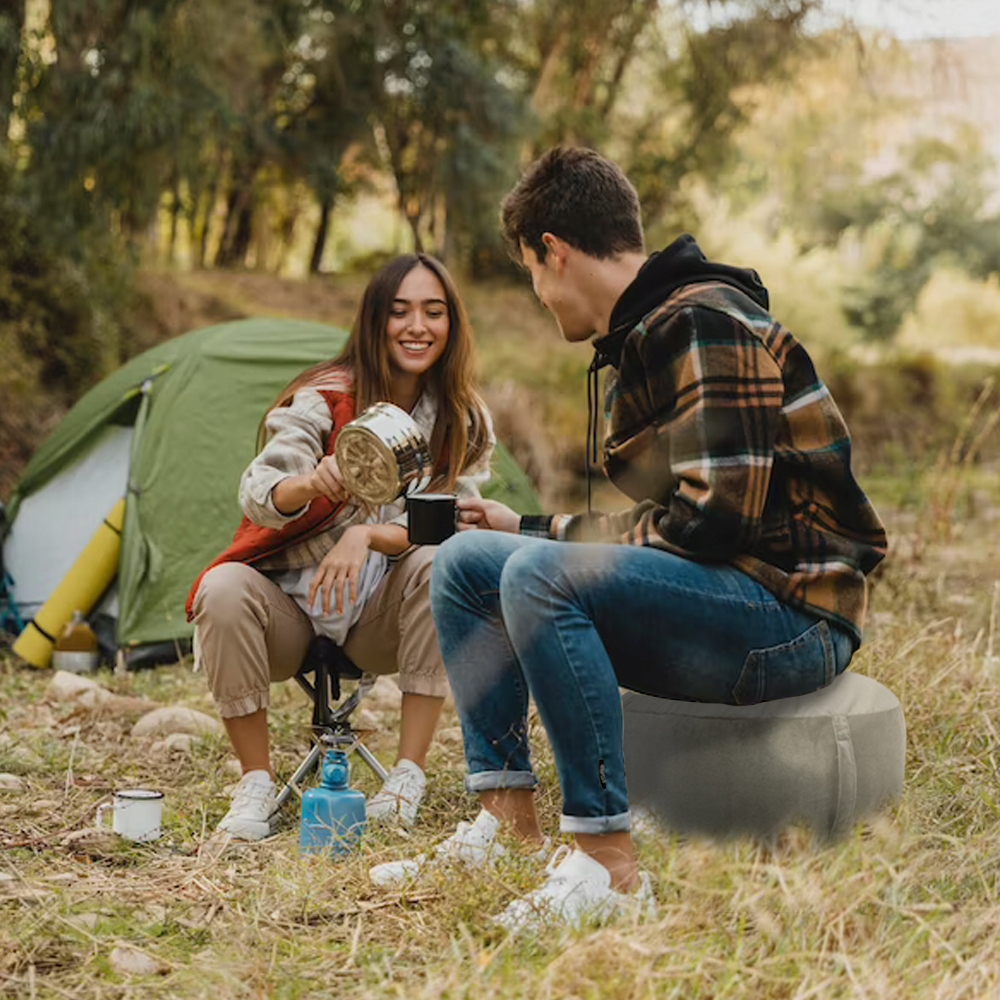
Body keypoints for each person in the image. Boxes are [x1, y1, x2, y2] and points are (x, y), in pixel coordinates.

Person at [369, 147, 888, 933]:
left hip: (793, 617)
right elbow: (684, 527)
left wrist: (553, 549)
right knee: (473, 562)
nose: (541, 297)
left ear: (555, 251)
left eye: (533, 275)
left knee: (542, 577)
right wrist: (531, 527)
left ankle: (608, 870)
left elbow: (716, 523)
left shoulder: (701, 321)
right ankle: (507, 825)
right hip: (732, 591)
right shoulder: (653, 328)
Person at [187, 253, 494, 840]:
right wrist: (310, 482)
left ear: (452, 325)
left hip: (381, 617)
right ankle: (255, 784)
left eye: (434, 312)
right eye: (399, 311)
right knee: (221, 588)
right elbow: (258, 491)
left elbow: (456, 521)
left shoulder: (461, 418)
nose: (417, 327)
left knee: (443, 559)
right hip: (292, 613)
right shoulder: (323, 398)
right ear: (375, 320)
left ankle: (407, 778)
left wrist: (368, 533)